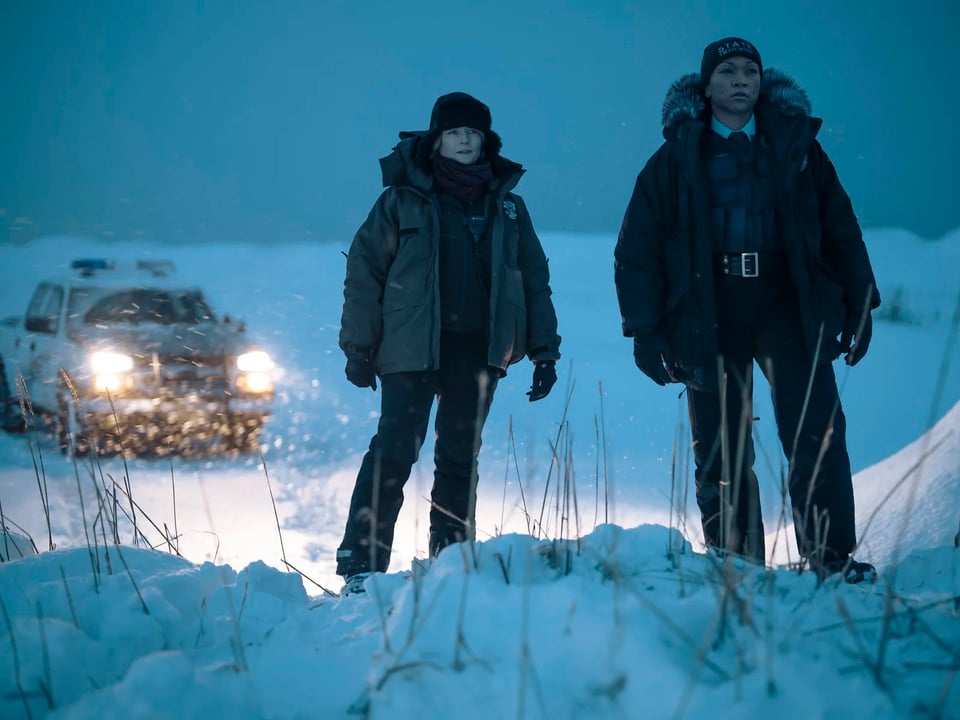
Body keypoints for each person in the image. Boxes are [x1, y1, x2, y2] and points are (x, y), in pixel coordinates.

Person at [613, 38, 880, 584]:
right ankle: (739, 566)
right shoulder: (676, 156)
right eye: (728, 71)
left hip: (788, 305)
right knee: (720, 445)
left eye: (750, 71)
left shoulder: (797, 147)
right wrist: (645, 330)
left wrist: (861, 302)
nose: (740, 79)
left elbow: (840, 227)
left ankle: (831, 561)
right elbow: (637, 249)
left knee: (817, 433)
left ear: (762, 82)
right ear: (706, 85)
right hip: (711, 311)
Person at [336, 92, 562, 594]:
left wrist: (544, 350)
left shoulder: (507, 207)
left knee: (460, 456)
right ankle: (360, 566)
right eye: (455, 132)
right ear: (436, 139)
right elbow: (364, 272)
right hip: (409, 348)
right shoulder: (401, 200)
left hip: (479, 350)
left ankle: (451, 566)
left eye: (473, 132)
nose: (464, 140)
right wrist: (357, 346)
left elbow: (533, 279)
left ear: (486, 141)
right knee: (394, 451)